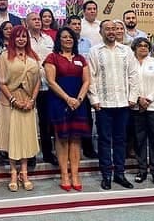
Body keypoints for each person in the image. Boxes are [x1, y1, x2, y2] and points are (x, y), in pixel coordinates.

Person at [88, 20, 138, 190]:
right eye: (107, 29)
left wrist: (133, 97)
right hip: (103, 104)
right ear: (101, 32)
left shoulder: (126, 51)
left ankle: (120, 174)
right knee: (104, 140)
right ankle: (106, 175)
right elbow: (91, 77)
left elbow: (133, 75)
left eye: (113, 29)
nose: (111, 32)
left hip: (123, 103)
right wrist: (94, 99)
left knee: (120, 140)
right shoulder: (94, 51)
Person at [44, 27, 90, 191]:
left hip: (78, 102)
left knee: (76, 138)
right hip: (59, 101)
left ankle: (75, 174)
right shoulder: (52, 57)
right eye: (64, 37)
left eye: (70, 37)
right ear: (59, 40)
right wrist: (67, 98)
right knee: (62, 138)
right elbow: (51, 81)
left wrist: (79, 99)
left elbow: (86, 81)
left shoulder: (80, 58)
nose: (68, 39)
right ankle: (64, 174)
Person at [0, 26, 40, 192]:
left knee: (25, 137)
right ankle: (13, 172)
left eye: (24, 36)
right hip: (10, 101)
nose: (21, 39)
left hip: (28, 100)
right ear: (12, 39)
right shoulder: (4, 56)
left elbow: (38, 81)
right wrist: (13, 100)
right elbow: (1, 82)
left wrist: (32, 100)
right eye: (18, 37)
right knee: (12, 137)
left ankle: (24, 172)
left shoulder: (33, 56)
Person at [129, 38, 154, 185]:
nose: (143, 48)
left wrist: (149, 99)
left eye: (146, 46)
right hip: (137, 107)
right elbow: (129, 83)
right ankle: (142, 170)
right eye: (140, 45)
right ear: (134, 48)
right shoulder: (130, 63)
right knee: (139, 140)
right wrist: (139, 99)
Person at [25, 12, 57, 166]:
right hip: (29, 86)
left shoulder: (48, 39)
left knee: (46, 121)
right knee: (28, 121)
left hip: (47, 84)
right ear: (27, 22)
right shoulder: (24, 38)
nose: (38, 21)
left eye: (38, 19)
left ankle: (47, 153)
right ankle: (30, 155)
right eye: (34, 19)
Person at [66, 15, 97, 159]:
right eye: (74, 24)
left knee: (87, 119)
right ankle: (70, 150)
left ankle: (88, 148)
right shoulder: (63, 43)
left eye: (79, 24)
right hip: (69, 84)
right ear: (68, 26)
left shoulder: (87, 43)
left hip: (85, 84)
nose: (77, 26)